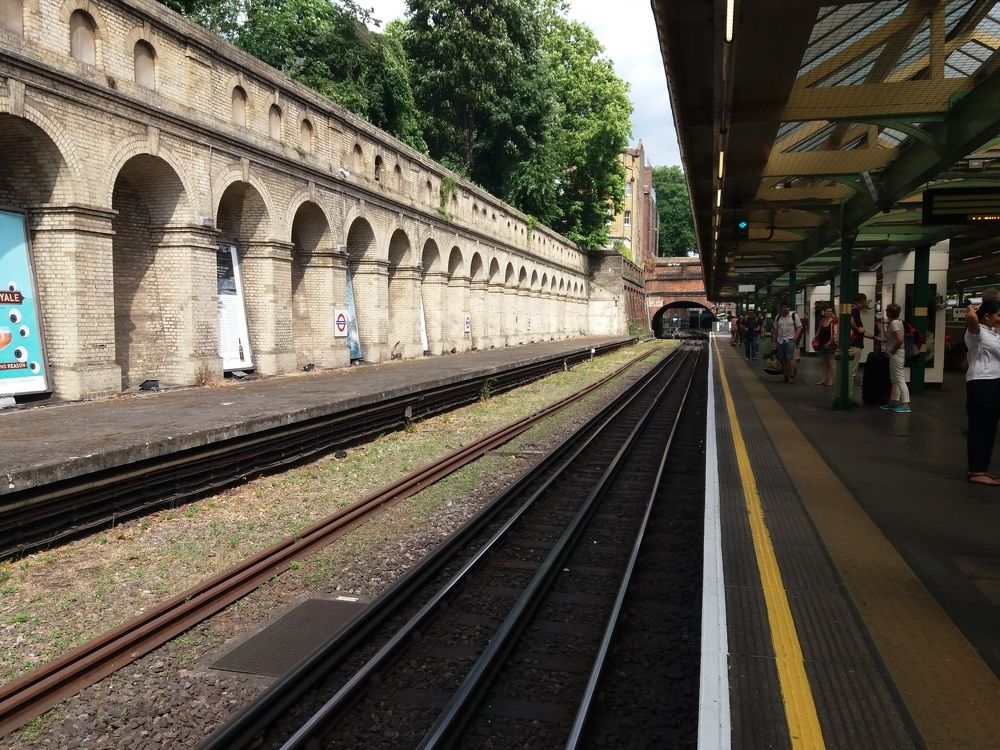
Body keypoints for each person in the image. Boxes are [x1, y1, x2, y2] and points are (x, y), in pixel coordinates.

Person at [965, 298, 1000, 485]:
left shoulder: (993, 334)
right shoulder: (977, 334)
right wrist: (971, 312)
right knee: (981, 426)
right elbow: (972, 322)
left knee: (989, 427)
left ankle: (980, 468)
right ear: (986, 316)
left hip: (993, 383)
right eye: (998, 315)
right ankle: (977, 470)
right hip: (981, 383)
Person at [879, 303, 910, 413]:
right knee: (895, 378)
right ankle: (894, 401)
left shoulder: (894, 324)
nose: (886, 312)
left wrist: (893, 350)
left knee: (899, 378)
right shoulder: (898, 322)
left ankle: (905, 404)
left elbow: (899, 340)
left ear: (891, 312)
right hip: (896, 353)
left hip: (897, 354)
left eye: (887, 310)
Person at [848, 293, 879, 403]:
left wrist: (875, 337)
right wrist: (857, 329)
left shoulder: (850, 307)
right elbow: (854, 325)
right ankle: (848, 397)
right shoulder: (855, 309)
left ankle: (847, 396)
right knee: (851, 373)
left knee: (848, 372)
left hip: (850, 344)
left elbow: (862, 332)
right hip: (855, 345)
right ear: (863, 301)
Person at [772, 302, 802, 383]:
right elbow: (775, 330)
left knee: (790, 358)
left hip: (790, 340)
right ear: (781, 308)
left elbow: (799, 327)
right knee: (782, 359)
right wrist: (774, 342)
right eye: (784, 307)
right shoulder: (778, 317)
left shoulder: (794, 316)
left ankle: (792, 376)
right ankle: (785, 375)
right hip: (780, 340)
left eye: (787, 307)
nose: (786, 309)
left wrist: (795, 337)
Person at [814, 306, 837, 386]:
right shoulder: (823, 320)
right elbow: (819, 330)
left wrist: (830, 342)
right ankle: (824, 379)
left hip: (830, 344)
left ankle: (831, 380)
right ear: (824, 312)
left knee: (831, 363)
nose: (828, 313)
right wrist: (815, 338)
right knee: (824, 363)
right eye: (827, 311)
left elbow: (834, 333)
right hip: (822, 343)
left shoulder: (833, 321)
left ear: (832, 313)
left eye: (830, 311)